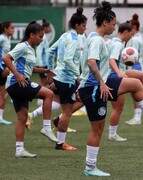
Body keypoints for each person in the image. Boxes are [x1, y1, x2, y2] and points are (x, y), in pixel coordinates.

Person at [79, 2, 143, 176]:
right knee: (96, 129)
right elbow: (91, 62)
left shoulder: (93, 37)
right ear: (105, 22)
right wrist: (102, 83)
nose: (115, 27)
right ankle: (90, 167)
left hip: (94, 86)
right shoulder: (97, 39)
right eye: (113, 23)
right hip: (95, 88)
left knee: (136, 84)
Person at [3, 21, 55, 158]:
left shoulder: (31, 49)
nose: (42, 39)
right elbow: (6, 58)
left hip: (16, 84)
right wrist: (18, 75)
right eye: (40, 36)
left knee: (22, 117)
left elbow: (28, 68)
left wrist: (43, 70)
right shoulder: (22, 46)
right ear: (31, 35)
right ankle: (47, 128)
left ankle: (19, 150)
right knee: (49, 94)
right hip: (17, 83)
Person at [53, 7, 87, 151]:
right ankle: (61, 143)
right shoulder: (73, 39)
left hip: (60, 77)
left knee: (82, 99)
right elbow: (67, 59)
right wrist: (78, 76)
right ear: (77, 25)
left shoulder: (64, 36)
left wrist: (52, 69)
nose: (85, 28)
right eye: (84, 25)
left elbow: (51, 50)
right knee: (67, 112)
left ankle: (58, 121)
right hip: (66, 79)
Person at [0, 21, 14, 125]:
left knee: (3, 93)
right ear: (5, 29)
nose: (13, 30)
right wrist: (2, 67)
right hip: (1, 69)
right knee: (2, 94)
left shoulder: (7, 39)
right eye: (11, 28)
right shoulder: (2, 38)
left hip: (4, 68)